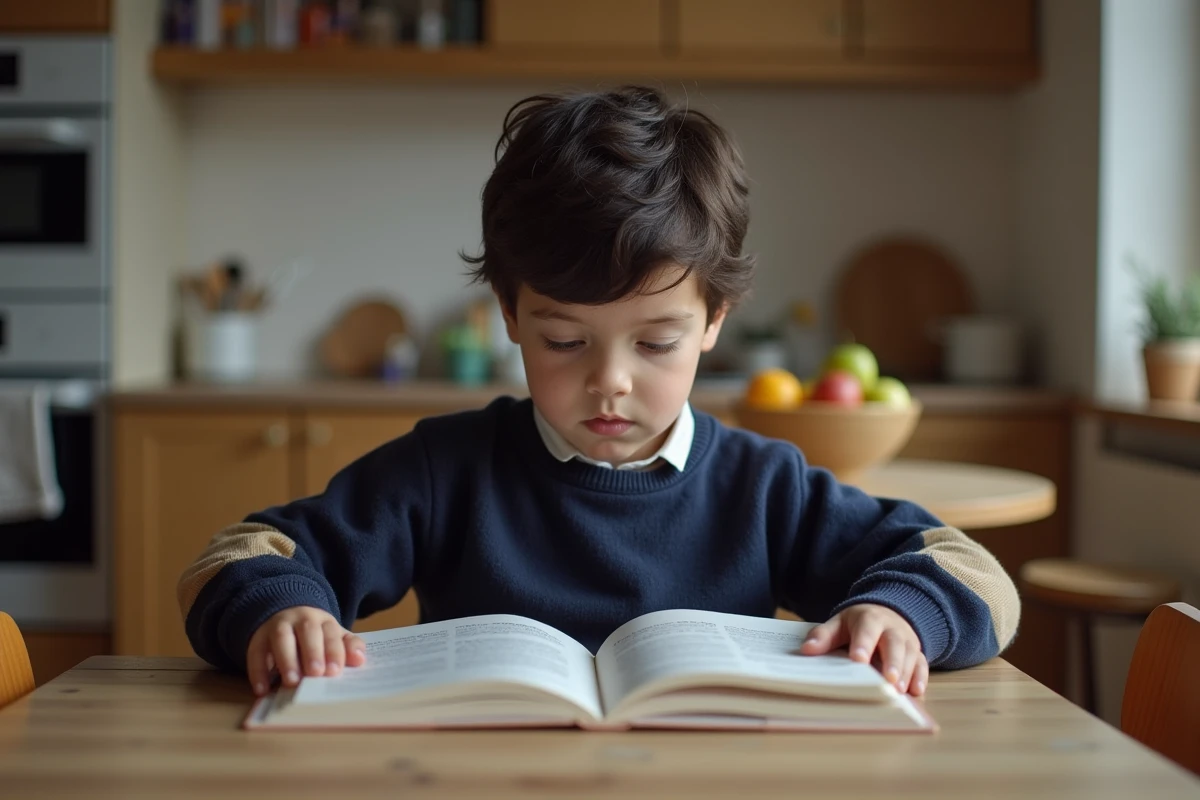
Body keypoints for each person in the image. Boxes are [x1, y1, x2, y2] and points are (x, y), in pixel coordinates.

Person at [178, 86, 1019, 700]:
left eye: (657, 342)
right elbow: (235, 557)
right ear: (510, 314)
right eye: (564, 340)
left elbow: (976, 574)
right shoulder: (445, 471)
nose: (610, 380)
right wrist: (278, 614)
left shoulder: (764, 487)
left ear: (715, 319)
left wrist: (902, 614)